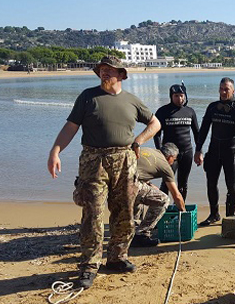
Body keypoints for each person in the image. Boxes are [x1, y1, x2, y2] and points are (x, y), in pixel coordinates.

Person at [47, 56, 161, 289]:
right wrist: (55, 151)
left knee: (125, 211)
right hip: (93, 161)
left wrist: (139, 141)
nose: (105, 73)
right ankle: (89, 265)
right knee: (93, 212)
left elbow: (155, 123)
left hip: (125, 159)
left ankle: (117, 257)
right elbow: (71, 127)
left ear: (121, 75)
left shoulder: (132, 101)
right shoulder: (87, 97)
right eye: (102, 70)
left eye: (110, 70)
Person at [194, 77, 235, 226]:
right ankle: (214, 214)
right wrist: (198, 150)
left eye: (227, 89)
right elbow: (204, 130)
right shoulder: (212, 107)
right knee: (211, 183)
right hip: (213, 151)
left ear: (233, 90)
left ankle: (230, 217)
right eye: (221, 89)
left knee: (231, 185)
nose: (223, 92)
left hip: (230, 152)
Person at [131, 143, 186, 247]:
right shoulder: (165, 165)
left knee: (140, 197)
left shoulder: (148, 150)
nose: (173, 162)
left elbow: (140, 171)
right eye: (174, 160)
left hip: (117, 183)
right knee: (163, 200)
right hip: (131, 185)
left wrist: (151, 186)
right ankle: (142, 234)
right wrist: (183, 212)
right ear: (170, 157)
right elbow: (176, 195)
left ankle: (132, 232)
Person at [153, 83, 199, 200]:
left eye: (181, 96)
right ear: (171, 96)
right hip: (169, 154)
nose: (179, 99)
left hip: (187, 152)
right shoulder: (163, 111)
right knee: (167, 183)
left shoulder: (190, 112)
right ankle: (163, 208)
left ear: (185, 96)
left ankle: (179, 209)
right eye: (176, 96)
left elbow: (197, 133)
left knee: (183, 183)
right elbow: (156, 134)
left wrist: (199, 152)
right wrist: (160, 152)